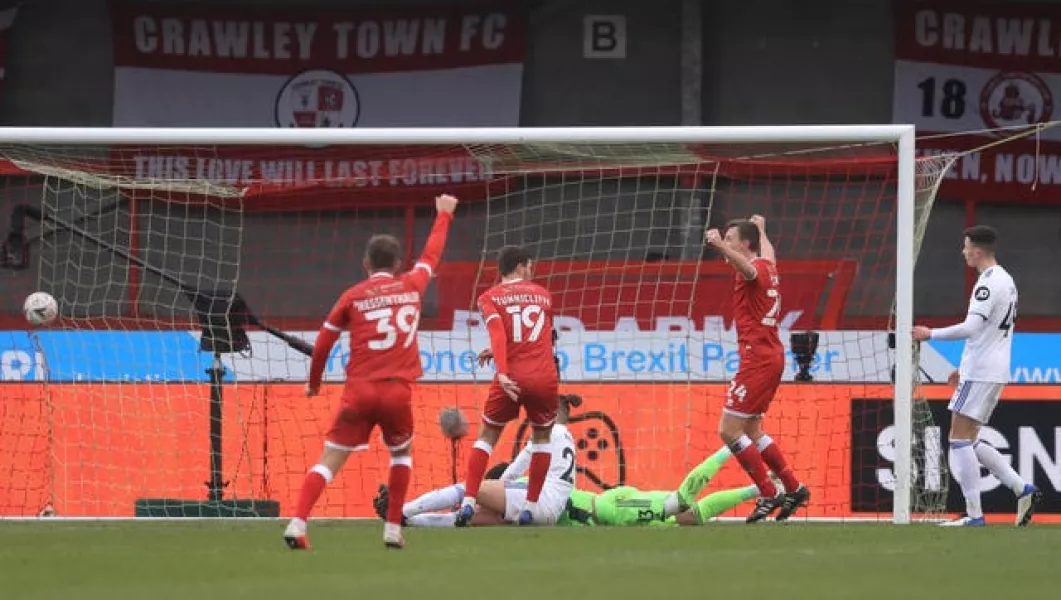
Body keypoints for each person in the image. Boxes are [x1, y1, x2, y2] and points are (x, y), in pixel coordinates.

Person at [283, 194, 458, 550]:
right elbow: (431, 256)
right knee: (402, 454)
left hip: (359, 391)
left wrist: (313, 384)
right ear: (396, 263)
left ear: (365, 263)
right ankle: (393, 529)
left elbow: (322, 345)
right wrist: (443, 215)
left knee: (330, 460)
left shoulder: (352, 296)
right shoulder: (412, 285)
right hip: (397, 391)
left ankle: (298, 523)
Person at [913, 225, 1041, 527]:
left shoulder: (987, 283)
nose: (963, 251)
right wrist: (964, 366)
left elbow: (971, 328)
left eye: (966, 246)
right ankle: (1022, 489)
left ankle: (974, 515)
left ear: (977, 250)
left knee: (958, 440)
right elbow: (988, 333)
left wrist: (929, 334)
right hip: (989, 369)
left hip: (982, 372)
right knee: (969, 439)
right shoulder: (1006, 280)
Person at [703, 214, 809, 522]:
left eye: (732, 238)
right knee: (751, 429)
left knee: (728, 429)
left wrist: (720, 247)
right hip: (770, 355)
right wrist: (763, 228)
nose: (728, 241)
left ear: (744, 244)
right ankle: (793, 486)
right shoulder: (769, 266)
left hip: (757, 358)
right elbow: (767, 254)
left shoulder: (752, 270)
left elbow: (747, 268)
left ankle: (768, 490)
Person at [456, 246, 559, 526]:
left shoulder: (489, 298)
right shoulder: (543, 296)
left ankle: (467, 502)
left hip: (511, 376)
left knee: (486, 437)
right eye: (530, 265)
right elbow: (539, 337)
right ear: (520, 266)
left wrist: (502, 371)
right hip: (543, 377)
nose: (532, 270)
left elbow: (501, 333)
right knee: (541, 441)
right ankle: (530, 508)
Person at [375, 394, 580, 527]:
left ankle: (400, 510)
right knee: (468, 519)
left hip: (537, 502)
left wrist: (492, 489)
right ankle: (408, 521)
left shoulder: (548, 431)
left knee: (470, 490)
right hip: (550, 512)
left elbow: (515, 471)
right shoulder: (568, 439)